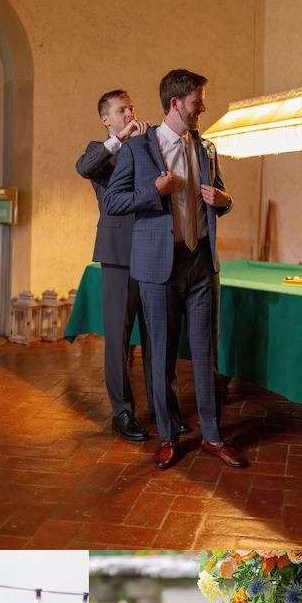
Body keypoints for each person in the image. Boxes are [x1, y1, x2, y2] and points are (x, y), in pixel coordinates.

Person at [103, 68, 248, 471]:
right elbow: (113, 202)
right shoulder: (138, 149)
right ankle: (167, 436)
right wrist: (154, 192)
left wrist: (224, 199)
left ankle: (213, 437)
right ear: (175, 104)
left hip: (201, 261)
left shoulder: (207, 148)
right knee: (162, 356)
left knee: (206, 354)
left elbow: (222, 198)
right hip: (157, 266)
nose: (202, 107)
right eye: (197, 101)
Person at [76, 90, 186, 442]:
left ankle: (162, 408)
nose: (129, 113)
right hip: (119, 255)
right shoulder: (100, 151)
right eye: (121, 110)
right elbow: (83, 168)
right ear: (107, 119)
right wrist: (118, 140)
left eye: (131, 108)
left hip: (155, 251)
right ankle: (122, 412)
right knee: (119, 339)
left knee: (159, 336)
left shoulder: (150, 144)